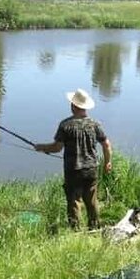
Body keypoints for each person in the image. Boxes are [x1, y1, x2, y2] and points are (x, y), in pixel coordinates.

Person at [35, 89, 112, 230]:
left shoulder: (65, 125)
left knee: (74, 201)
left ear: (73, 106)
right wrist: (108, 162)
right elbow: (106, 144)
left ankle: (75, 230)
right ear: (85, 107)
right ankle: (94, 227)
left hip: (73, 170)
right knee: (92, 200)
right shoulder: (95, 124)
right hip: (91, 169)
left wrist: (41, 147)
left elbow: (57, 148)